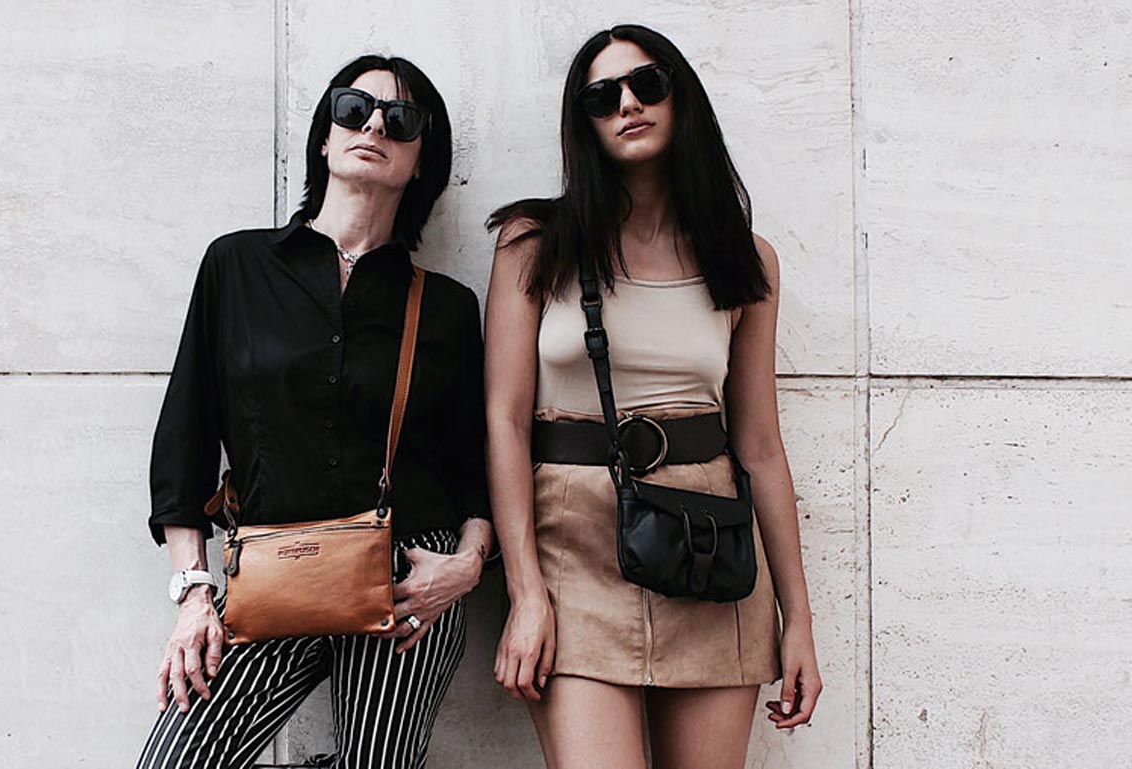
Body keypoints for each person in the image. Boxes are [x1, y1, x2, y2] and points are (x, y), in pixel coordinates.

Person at [137, 54, 495, 769]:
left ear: (422, 159)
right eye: (352, 108)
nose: (373, 125)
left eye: (400, 119)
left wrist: (467, 564)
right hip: (270, 571)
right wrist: (193, 593)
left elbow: (475, 465)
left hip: (408, 582)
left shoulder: (447, 306)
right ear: (324, 138)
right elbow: (185, 438)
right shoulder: (236, 268)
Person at [484, 24, 822, 768]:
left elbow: (759, 443)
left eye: (647, 84)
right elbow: (505, 422)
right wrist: (526, 593)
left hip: (709, 546)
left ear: (680, 98)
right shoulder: (533, 243)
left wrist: (797, 618)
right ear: (585, 122)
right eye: (603, 97)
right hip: (571, 542)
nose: (628, 104)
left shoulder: (743, 256)